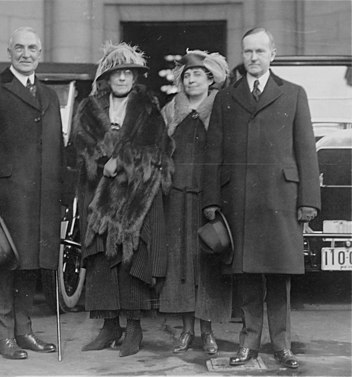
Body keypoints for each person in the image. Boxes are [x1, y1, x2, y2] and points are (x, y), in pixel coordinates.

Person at [203, 27, 321, 369]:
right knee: (248, 275)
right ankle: (249, 344)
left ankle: (282, 346)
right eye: (248, 52)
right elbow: (213, 153)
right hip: (239, 201)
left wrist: (308, 201)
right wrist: (211, 199)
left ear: (273, 54)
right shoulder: (227, 97)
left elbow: (306, 151)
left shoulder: (294, 94)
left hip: (281, 199)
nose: (253, 58)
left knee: (280, 275)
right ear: (243, 56)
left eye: (260, 51)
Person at [0, 26, 64, 360]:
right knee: (3, 264)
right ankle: (3, 337)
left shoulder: (49, 96)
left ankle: (24, 332)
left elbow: (56, 150)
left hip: (41, 201)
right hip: (6, 198)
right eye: (19, 47)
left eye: (32, 48)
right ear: (9, 51)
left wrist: (60, 198)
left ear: (40, 53)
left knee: (31, 267)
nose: (26, 54)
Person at [73, 42, 174, 357]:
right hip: (99, 195)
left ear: (135, 77)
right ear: (106, 76)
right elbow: (80, 145)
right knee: (102, 260)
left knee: (132, 260)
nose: (122, 78)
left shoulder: (147, 107)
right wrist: (104, 162)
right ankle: (108, 327)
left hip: (135, 199)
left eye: (128, 72)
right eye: (117, 73)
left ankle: (134, 328)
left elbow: (159, 150)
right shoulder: (88, 107)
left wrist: (124, 159)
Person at [159, 50, 232, 355]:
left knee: (208, 264)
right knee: (181, 265)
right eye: (186, 75)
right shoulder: (169, 112)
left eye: (197, 74)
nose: (191, 79)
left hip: (209, 202)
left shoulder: (221, 110)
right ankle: (187, 331)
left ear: (210, 78)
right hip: (176, 200)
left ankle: (208, 331)